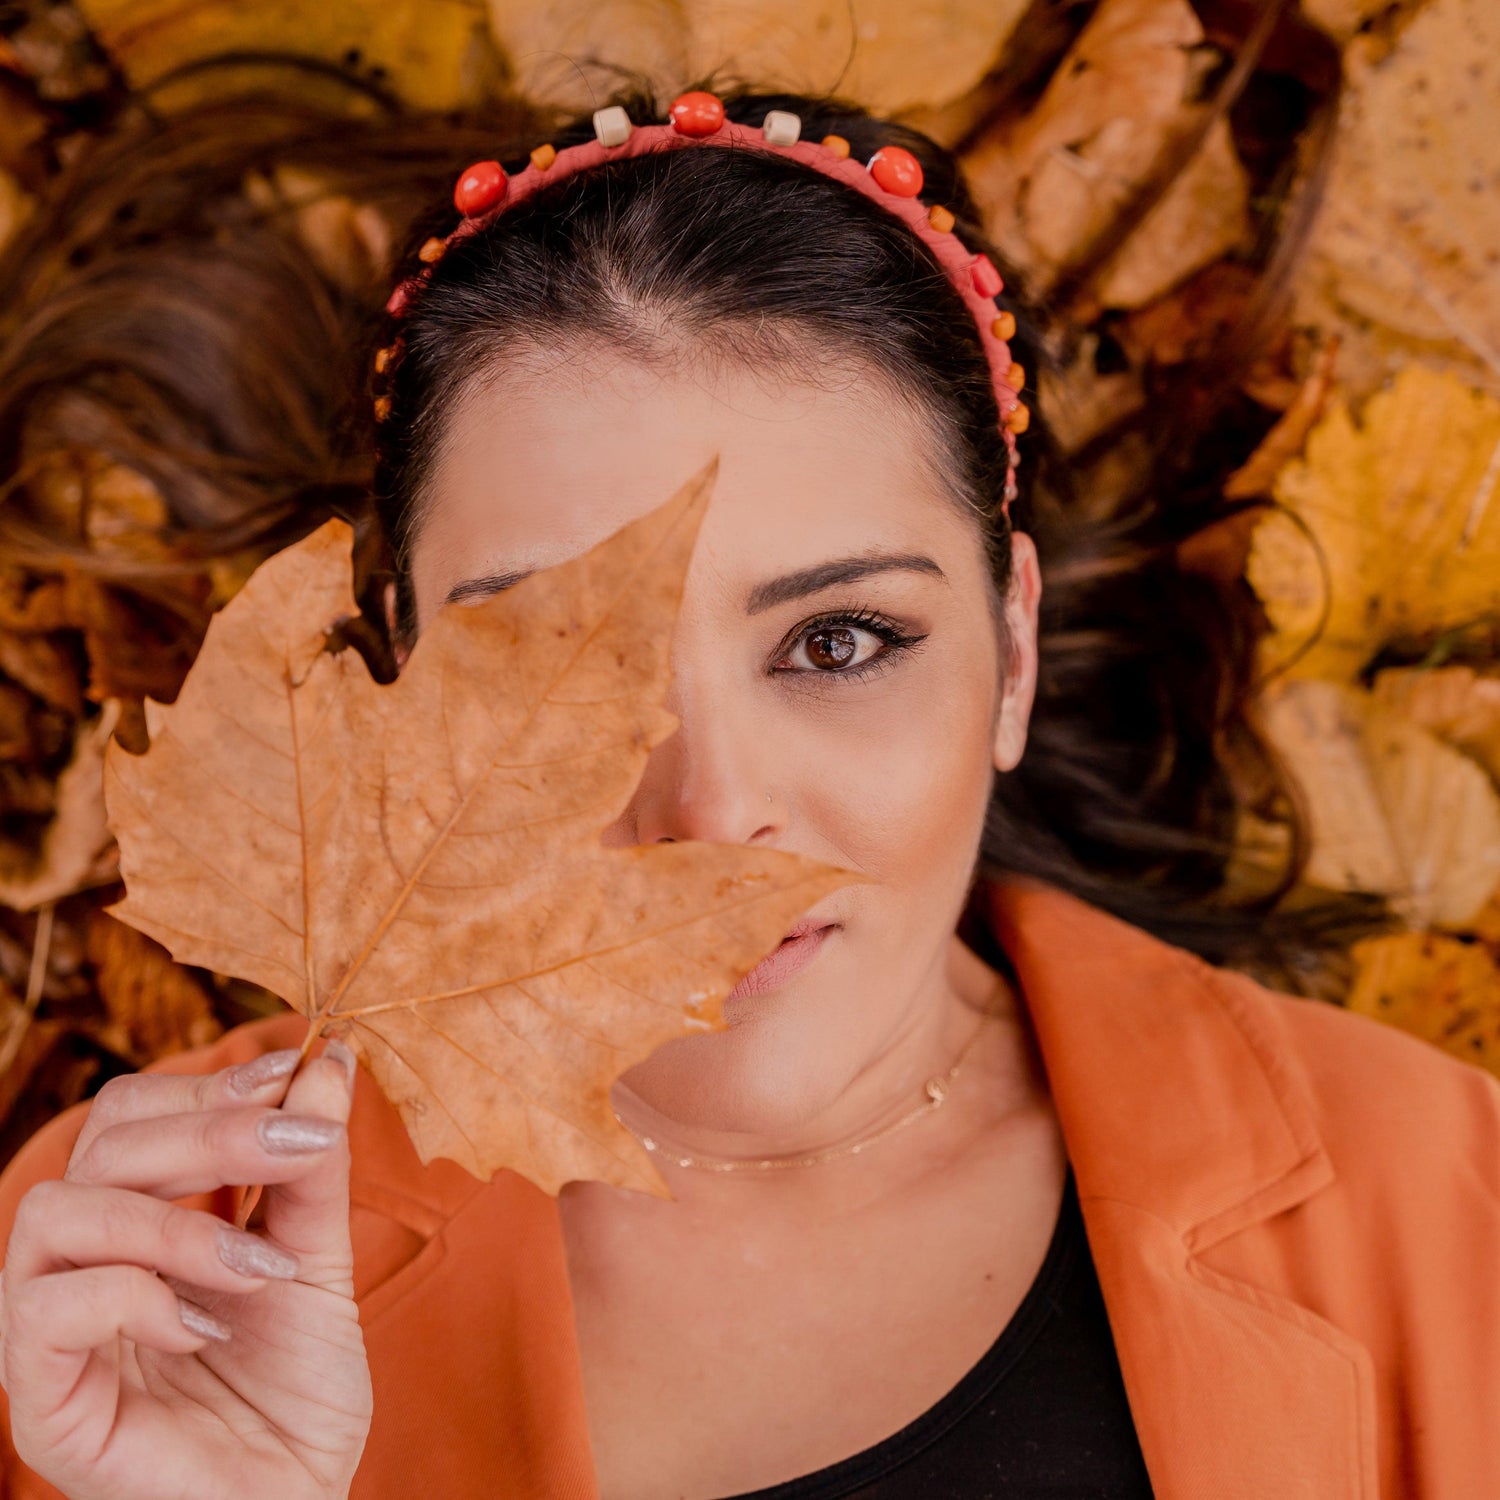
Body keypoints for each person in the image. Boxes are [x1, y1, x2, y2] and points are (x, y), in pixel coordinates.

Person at [0, 82, 1497, 1500]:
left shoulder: (1447, 1210)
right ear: (395, 681)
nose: (710, 816)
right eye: (556, 668)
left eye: (840, 642)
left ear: (1014, 653)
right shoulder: (136, 1267)